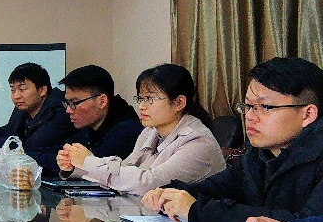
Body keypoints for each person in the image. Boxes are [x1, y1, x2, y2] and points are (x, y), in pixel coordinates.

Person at [144, 56, 323, 222]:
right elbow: (214, 188)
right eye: (247, 106)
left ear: (307, 114)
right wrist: (169, 194)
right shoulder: (258, 154)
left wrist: (197, 211)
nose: (250, 117)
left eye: (265, 107)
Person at [58, 63, 225, 195]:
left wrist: (88, 161)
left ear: (179, 103)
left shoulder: (199, 141)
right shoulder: (150, 132)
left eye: (150, 99)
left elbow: (148, 183)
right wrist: (75, 167)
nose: (142, 106)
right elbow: (124, 170)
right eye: (140, 99)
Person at [0, 62, 73, 169]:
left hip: (55, 175)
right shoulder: (24, 106)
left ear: (42, 90)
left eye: (22, 89)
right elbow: (9, 131)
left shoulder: (60, 111)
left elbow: (31, 146)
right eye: (13, 90)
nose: (16, 96)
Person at [54, 65, 143, 175]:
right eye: (67, 103)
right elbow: (58, 154)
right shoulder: (90, 127)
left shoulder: (128, 131)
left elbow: (96, 169)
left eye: (75, 103)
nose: (68, 110)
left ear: (102, 101)